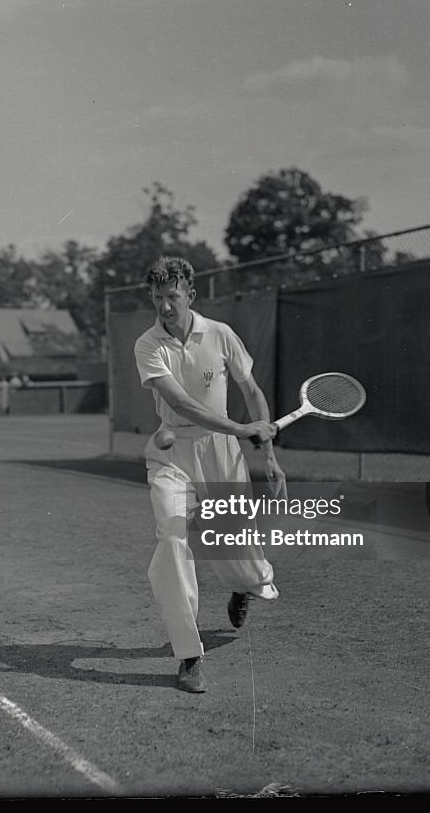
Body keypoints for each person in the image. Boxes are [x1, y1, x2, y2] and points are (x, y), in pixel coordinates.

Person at [133, 256, 285, 694]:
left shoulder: (220, 335)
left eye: (172, 297)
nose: (164, 306)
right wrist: (242, 429)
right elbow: (180, 404)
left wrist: (269, 457)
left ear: (190, 296)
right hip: (170, 452)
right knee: (173, 537)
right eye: (157, 297)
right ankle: (188, 655)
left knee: (236, 542)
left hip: (222, 455)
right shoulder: (148, 345)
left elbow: (252, 393)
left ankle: (247, 585)